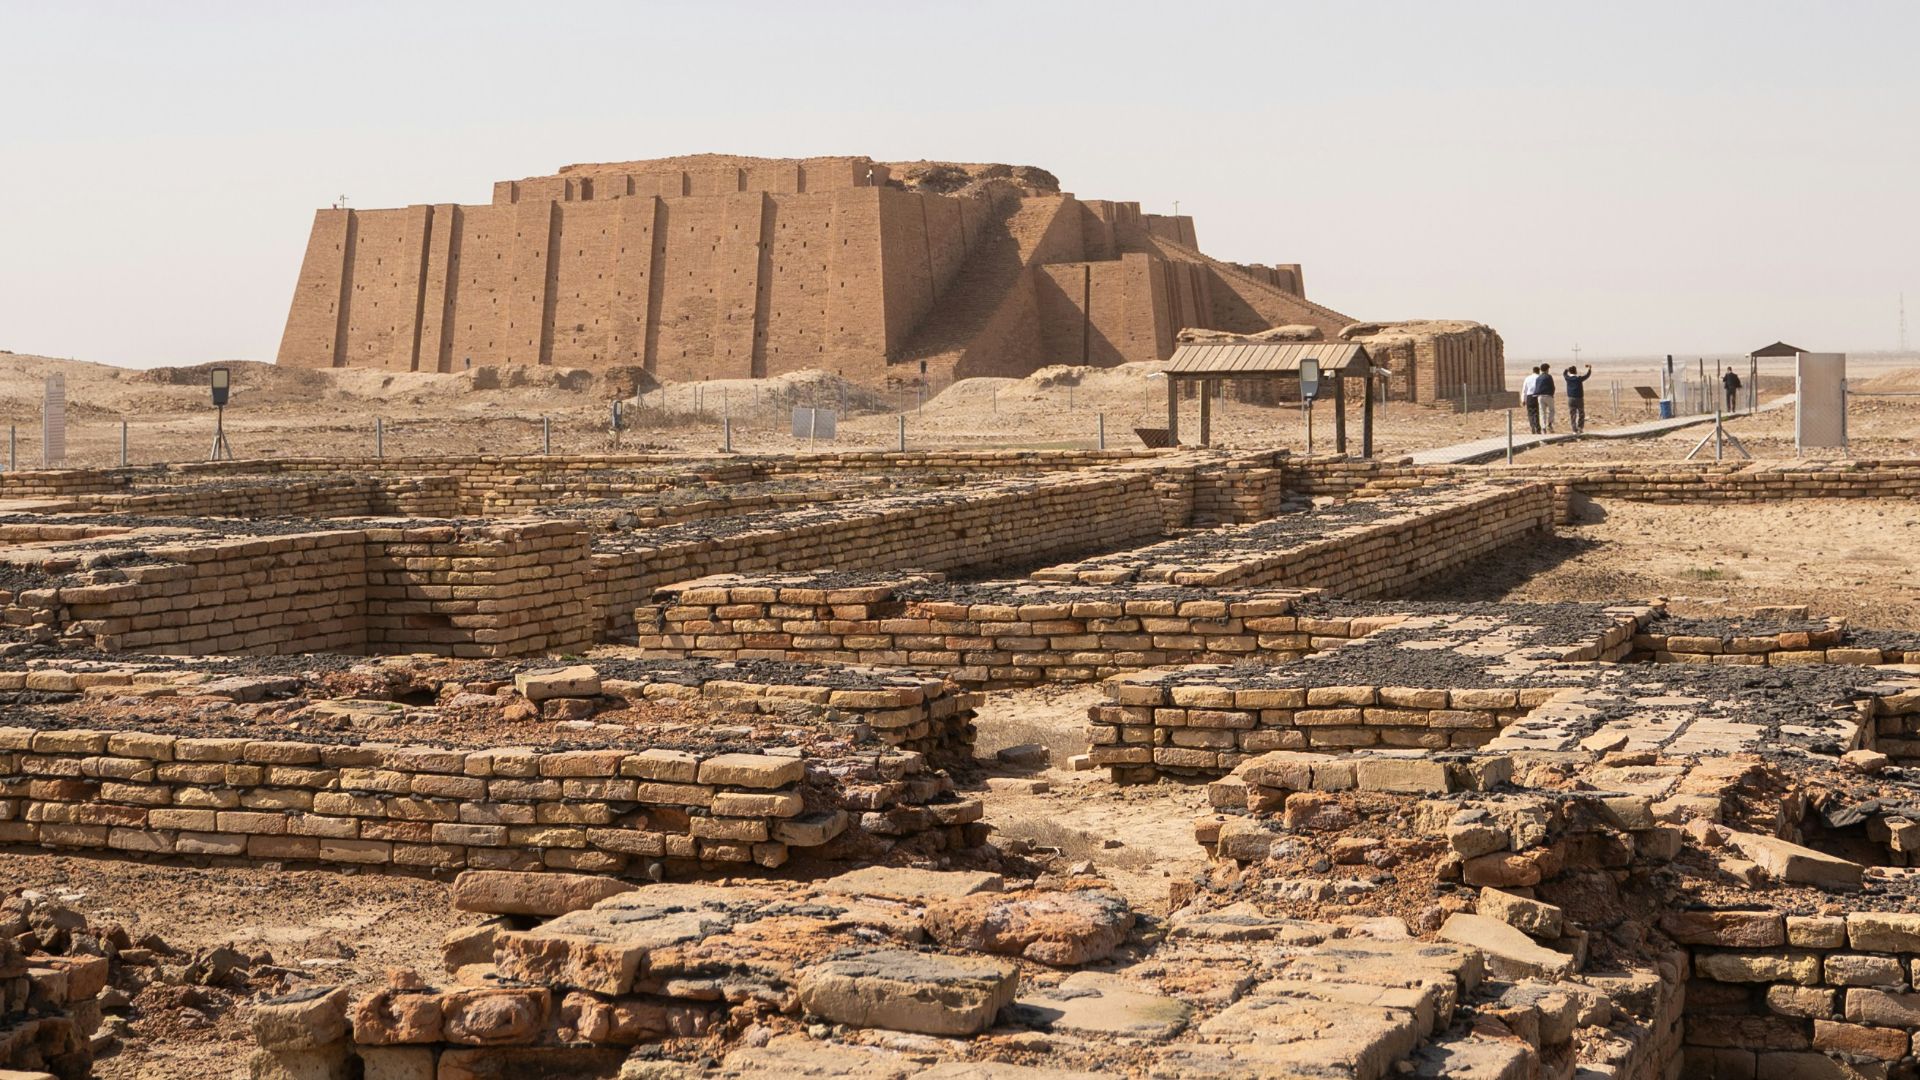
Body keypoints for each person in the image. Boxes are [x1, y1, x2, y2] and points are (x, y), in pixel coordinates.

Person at [1563, 364, 1592, 433]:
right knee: (1581, 413)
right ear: (1576, 371)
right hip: (1579, 398)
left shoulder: (1568, 378)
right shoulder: (1578, 378)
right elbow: (1587, 375)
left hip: (1570, 398)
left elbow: (1564, 374)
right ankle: (1580, 427)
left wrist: (1567, 369)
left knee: (1573, 414)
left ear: (1570, 372)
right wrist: (1589, 369)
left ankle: (1574, 429)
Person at [1521, 365, 1542, 434]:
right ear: (1539, 371)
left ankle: (1532, 427)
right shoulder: (1540, 378)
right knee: (1537, 413)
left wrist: (1523, 399)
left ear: (1533, 371)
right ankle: (1537, 428)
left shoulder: (1527, 378)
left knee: (1530, 413)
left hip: (1529, 397)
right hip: (1537, 396)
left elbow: (1524, 390)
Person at [1537, 364, 1557, 433]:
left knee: (1542, 412)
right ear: (1547, 369)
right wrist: (1552, 394)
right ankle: (1549, 424)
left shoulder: (1539, 377)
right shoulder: (1549, 377)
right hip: (1548, 396)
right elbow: (1552, 386)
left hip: (1540, 396)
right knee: (1551, 410)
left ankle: (1543, 427)